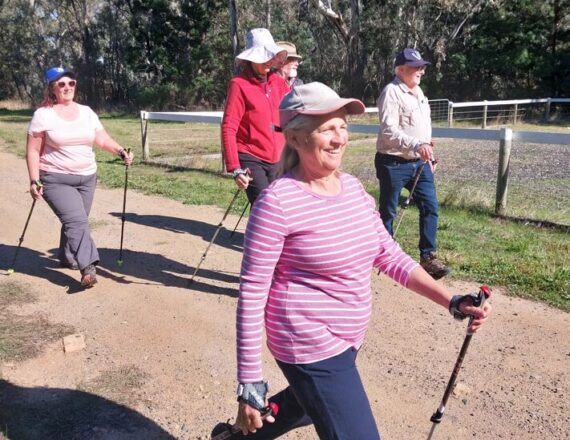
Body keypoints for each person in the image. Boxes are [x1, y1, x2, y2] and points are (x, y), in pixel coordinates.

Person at [213, 82, 491, 439]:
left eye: (343, 126)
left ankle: (238, 437)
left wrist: (450, 300)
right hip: (307, 341)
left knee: (306, 405)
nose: (339, 138)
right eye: (327, 128)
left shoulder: (354, 190)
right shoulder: (277, 203)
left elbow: (388, 254)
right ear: (296, 138)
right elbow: (252, 293)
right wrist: (250, 382)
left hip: (347, 339)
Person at [26, 66, 133, 288]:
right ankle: (88, 269)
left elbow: (102, 139)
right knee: (77, 221)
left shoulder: (86, 112)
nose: (67, 87)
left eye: (71, 83)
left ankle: (67, 256)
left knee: (75, 221)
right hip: (55, 177)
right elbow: (33, 150)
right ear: (52, 88)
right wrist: (34, 180)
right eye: (61, 84)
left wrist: (121, 151)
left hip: (87, 177)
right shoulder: (43, 115)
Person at [375, 48, 450, 280]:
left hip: (419, 163)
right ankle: (384, 254)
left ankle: (428, 257)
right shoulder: (391, 92)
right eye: (416, 66)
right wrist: (417, 144)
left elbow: (421, 128)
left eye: (422, 66)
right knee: (388, 210)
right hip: (392, 163)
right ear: (400, 69)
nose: (421, 70)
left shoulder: (419, 92)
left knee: (430, 207)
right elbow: (389, 131)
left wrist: (427, 148)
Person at [221, 28, 290, 205]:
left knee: (280, 205)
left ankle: (255, 233)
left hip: (278, 158)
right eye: (262, 57)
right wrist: (235, 168)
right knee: (266, 204)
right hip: (250, 156)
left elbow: (292, 116)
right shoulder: (239, 85)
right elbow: (229, 127)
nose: (268, 61)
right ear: (251, 58)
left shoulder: (279, 83)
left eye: (270, 56)